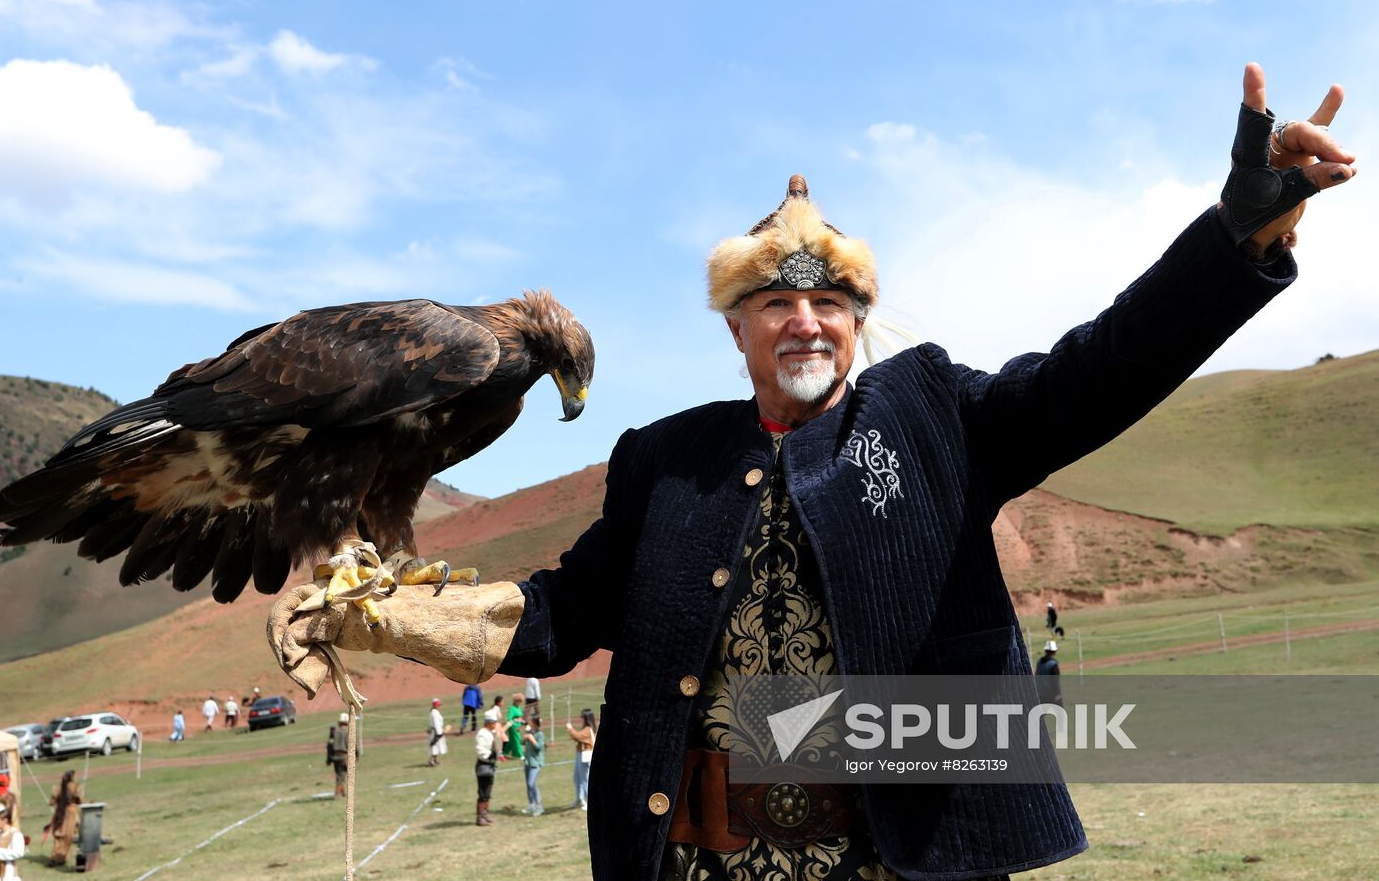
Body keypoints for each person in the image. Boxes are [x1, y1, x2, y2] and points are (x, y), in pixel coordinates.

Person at [271, 64, 1356, 880]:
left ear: (855, 323)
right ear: (735, 329)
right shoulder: (665, 459)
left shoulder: (935, 412)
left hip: (896, 858)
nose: (803, 319)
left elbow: (1098, 369)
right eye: (773, 303)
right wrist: (392, 616)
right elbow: (565, 612)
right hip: (696, 860)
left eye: (827, 302)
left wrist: (1232, 240)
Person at [43, 770, 80, 868]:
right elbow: (79, 801)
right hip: (67, 814)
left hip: (63, 814)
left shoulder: (59, 788)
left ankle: (59, 857)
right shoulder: (73, 787)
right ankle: (59, 857)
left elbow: (51, 802)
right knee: (66, 837)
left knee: (60, 837)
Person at [565, 709, 596, 811]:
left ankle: (590, 802)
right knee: (577, 778)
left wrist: (570, 729)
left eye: (582, 717)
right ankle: (579, 799)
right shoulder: (587, 729)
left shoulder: (588, 729)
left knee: (585, 780)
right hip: (581, 755)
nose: (581, 719)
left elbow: (577, 736)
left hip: (585, 756)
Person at [474, 714, 501, 826]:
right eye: (493, 723)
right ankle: (480, 817)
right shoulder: (481, 734)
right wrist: (491, 754)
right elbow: (480, 750)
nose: (495, 725)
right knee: (483, 792)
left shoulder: (490, 733)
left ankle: (485, 815)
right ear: (488, 723)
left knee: (488, 792)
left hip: (490, 765)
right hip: (483, 765)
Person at [329, 713, 358, 798]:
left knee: (339, 774)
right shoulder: (348, 732)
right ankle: (337, 793)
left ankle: (343, 792)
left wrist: (329, 759)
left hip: (335, 756)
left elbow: (329, 745)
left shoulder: (334, 732)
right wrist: (356, 755)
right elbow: (353, 745)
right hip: (344, 756)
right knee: (342, 775)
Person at [522, 714, 546, 816]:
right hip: (527, 762)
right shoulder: (529, 732)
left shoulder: (540, 734)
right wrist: (524, 739)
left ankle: (539, 807)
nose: (529, 722)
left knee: (532, 783)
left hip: (536, 763)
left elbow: (539, 747)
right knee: (528, 785)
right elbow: (522, 743)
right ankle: (531, 805)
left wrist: (531, 738)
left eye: (530, 721)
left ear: (534, 722)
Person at [1036, 640, 1064, 707]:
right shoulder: (1053, 664)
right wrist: (1058, 694)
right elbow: (1055, 681)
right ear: (1054, 651)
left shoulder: (1039, 662)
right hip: (1052, 694)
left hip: (1041, 693)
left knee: (1040, 715)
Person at [503, 693, 525, 760]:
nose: (520, 703)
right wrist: (516, 720)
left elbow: (520, 717)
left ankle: (504, 752)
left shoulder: (518, 708)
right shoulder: (512, 708)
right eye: (519, 701)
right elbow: (509, 718)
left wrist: (521, 722)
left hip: (518, 726)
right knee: (517, 740)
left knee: (512, 741)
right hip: (513, 727)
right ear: (516, 701)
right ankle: (519, 755)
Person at [427, 698, 447, 767]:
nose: (439, 706)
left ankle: (435, 759)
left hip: (436, 731)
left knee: (437, 746)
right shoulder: (434, 712)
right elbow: (436, 723)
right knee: (434, 746)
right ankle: (431, 760)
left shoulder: (434, 712)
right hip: (436, 732)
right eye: (438, 705)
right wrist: (440, 732)